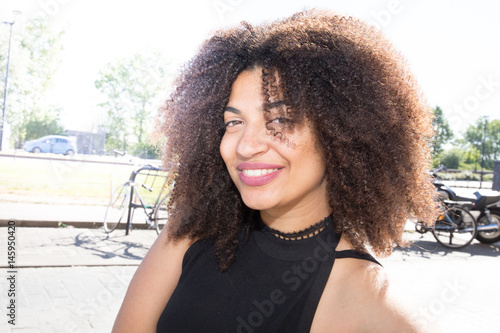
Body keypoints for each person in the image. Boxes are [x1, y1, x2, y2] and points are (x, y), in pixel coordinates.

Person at [112, 9, 440, 332]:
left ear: (339, 134)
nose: (245, 146)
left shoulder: (374, 305)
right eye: (234, 122)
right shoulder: (189, 231)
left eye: (280, 120)